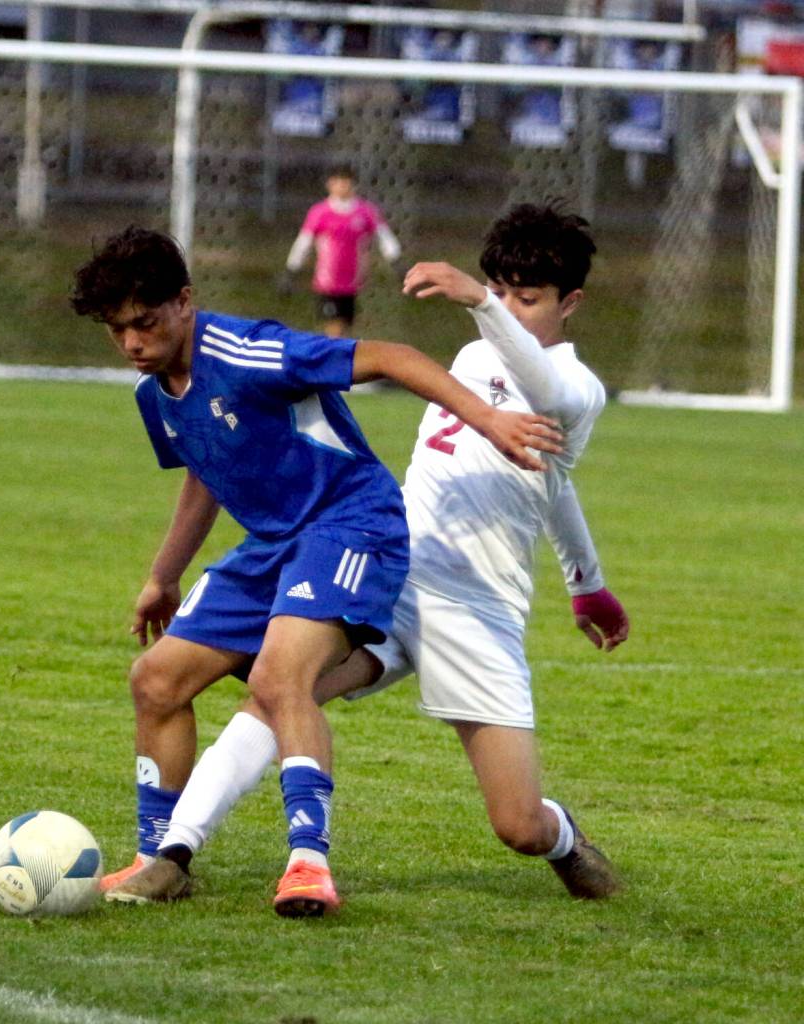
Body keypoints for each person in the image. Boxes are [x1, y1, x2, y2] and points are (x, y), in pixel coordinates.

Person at [102, 204, 629, 908]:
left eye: (525, 300)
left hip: (476, 607)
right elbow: (538, 468)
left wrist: (584, 580)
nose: (507, 310)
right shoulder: (474, 360)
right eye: (499, 292)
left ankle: (561, 838)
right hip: (395, 567)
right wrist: (587, 582)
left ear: (571, 304)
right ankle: (174, 852)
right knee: (279, 685)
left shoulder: (575, 389)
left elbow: (549, 458)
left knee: (518, 825)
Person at [279, 167, 403, 337]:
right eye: (338, 182)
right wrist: (291, 270)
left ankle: (333, 354)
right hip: (327, 282)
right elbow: (303, 243)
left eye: (346, 182)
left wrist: (397, 263)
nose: (342, 187)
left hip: (352, 282)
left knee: (343, 330)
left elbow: (384, 236)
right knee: (334, 330)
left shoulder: (365, 211)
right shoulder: (320, 212)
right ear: (330, 185)